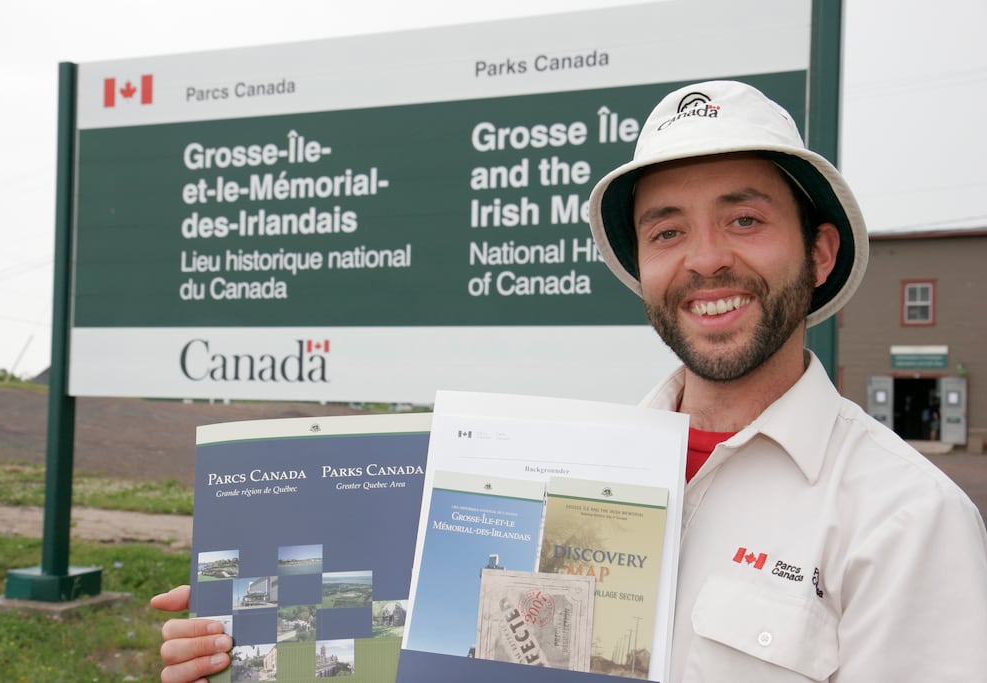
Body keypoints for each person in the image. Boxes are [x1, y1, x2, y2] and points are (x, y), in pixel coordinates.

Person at [152, 81, 987, 682]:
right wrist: (257, 639)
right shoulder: (554, 474)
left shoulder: (905, 521)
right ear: (643, 270)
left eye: (744, 218)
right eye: (667, 230)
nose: (704, 259)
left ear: (819, 251)